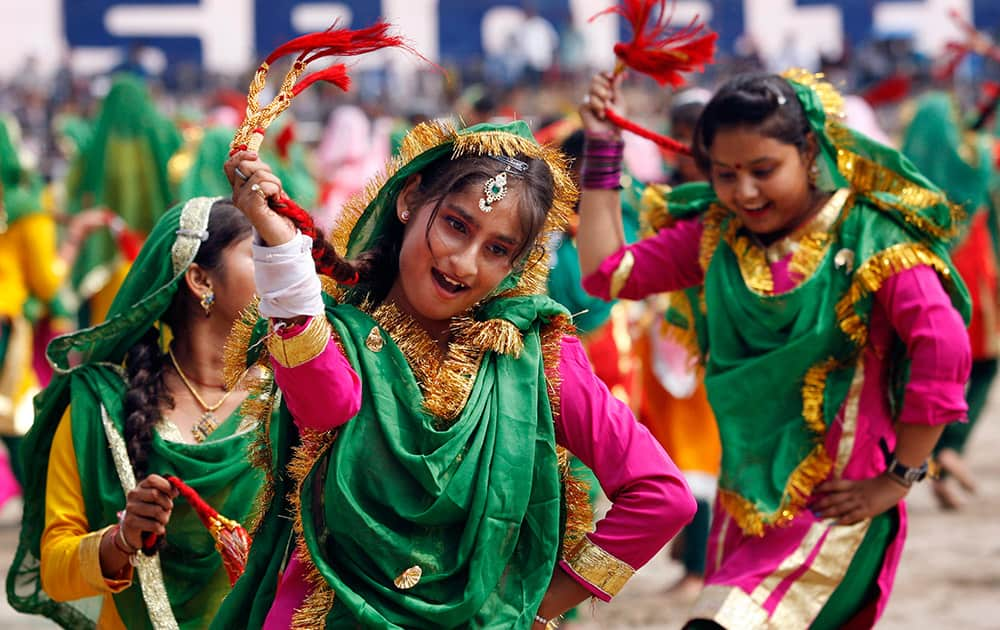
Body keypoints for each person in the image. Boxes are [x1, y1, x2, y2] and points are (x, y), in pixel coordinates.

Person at [214, 119, 697, 629]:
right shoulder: (339, 335)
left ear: (518, 264)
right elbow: (325, 402)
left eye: (496, 249)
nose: (463, 263)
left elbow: (662, 497)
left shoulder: (535, 356)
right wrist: (283, 253)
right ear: (409, 200)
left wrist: (532, 611)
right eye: (456, 225)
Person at [577, 70, 971, 629]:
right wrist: (603, 148)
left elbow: (944, 343)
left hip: (835, 509)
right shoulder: (720, 234)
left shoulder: (868, 236)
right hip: (745, 509)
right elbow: (605, 273)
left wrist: (899, 477)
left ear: (809, 151)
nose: (745, 193)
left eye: (763, 171)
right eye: (725, 174)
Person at [8, 197, 267, 629]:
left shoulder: (292, 400)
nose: (283, 268)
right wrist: (122, 540)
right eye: (261, 254)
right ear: (201, 280)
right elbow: (53, 567)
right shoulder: (100, 406)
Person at [901, 90, 999, 509]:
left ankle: (934, 453)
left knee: (932, 371)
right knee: (983, 364)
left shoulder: (903, 176)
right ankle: (950, 448)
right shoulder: (979, 157)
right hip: (975, 278)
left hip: (922, 282)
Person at [0, 116, 107, 497]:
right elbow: (47, 280)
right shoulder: (25, 209)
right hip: (6, 323)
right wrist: (74, 238)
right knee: (15, 417)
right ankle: (38, 505)